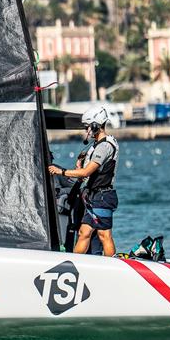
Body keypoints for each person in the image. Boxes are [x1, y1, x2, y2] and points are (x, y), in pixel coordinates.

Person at [48, 106, 119, 256]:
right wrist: (79, 164)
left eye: (87, 127)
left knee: (104, 235)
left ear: (95, 126)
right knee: (83, 232)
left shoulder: (104, 146)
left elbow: (87, 172)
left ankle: (112, 265)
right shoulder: (96, 145)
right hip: (94, 196)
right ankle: (75, 262)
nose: (86, 131)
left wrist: (61, 171)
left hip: (102, 197)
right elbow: (85, 174)